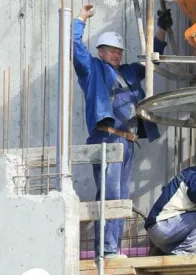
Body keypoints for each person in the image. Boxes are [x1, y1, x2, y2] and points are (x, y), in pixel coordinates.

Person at [73, 4, 173, 259]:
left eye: (119, 51)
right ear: (101, 51)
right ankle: (105, 250)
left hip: (126, 142)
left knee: (120, 195)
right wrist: (81, 18)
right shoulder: (92, 69)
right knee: (110, 194)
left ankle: (113, 248)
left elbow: (152, 58)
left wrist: (161, 29)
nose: (117, 54)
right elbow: (74, 46)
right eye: (112, 50)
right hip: (106, 138)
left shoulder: (127, 71)